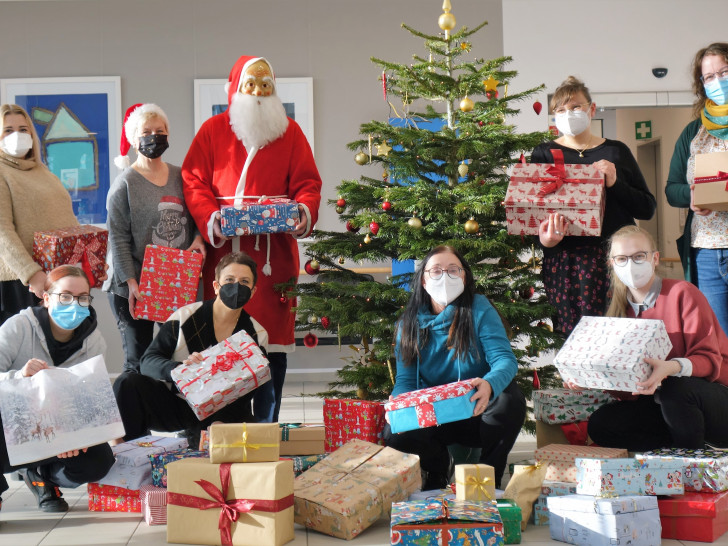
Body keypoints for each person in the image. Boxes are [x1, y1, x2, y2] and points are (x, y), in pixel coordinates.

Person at [182, 55, 322, 422]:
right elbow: (193, 179)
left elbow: (308, 184)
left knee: (269, 347)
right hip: (222, 255)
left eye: (266, 86)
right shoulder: (213, 130)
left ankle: (265, 428)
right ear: (235, 89)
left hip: (271, 260)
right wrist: (212, 216)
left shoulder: (290, 133)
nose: (258, 93)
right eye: (251, 85)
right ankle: (214, 426)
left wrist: (299, 212)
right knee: (218, 340)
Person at [383, 245, 526, 489]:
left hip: (476, 410)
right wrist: (398, 404)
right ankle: (437, 467)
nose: (445, 276)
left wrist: (490, 384)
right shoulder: (409, 323)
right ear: (423, 281)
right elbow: (406, 381)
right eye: (436, 271)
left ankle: (489, 476)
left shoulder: (479, 308)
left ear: (465, 277)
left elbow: (505, 359)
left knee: (510, 401)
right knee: (394, 432)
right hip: (436, 418)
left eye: (453, 270)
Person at [532, 77, 656, 335]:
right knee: (571, 339)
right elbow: (532, 216)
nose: (569, 114)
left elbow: (647, 208)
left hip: (615, 261)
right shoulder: (543, 154)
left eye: (576, 107)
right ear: (554, 116)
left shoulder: (616, 151)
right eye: (561, 110)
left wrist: (615, 182)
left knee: (620, 335)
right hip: (566, 263)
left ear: (592, 108)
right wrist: (547, 241)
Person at [587, 226, 728, 451]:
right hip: (667, 407)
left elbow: (710, 361)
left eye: (639, 256)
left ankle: (690, 462)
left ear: (655, 258)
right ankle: (667, 456)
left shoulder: (682, 293)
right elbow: (629, 392)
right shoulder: (618, 310)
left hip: (714, 401)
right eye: (622, 258)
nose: (630, 265)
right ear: (612, 263)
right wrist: (596, 377)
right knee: (602, 424)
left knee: (675, 387)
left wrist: (671, 367)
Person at [112, 252, 266, 447]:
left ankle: (206, 444)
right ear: (216, 286)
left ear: (253, 291)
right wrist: (179, 369)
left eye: (244, 282)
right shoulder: (185, 316)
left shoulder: (257, 334)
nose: (237, 286)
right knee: (128, 382)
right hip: (177, 403)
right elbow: (148, 362)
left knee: (249, 438)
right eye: (229, 280)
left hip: (223, 409)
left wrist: (222, 420)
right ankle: (125, 451)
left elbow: (251, 389)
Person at [0, 265, 114, 512]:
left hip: (59, 427)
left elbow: (92, 400)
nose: (74, 304)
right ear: (46, 298)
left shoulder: (94, 342)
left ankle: (43, 476)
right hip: (12, 422)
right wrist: (19, 376)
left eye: (82, 298)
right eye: (65, 296)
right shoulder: (18, 327)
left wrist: (77, 433)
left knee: (99, 460)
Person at [106, 103, 205, 373]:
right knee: (138, 361)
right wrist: (131, 283)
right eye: (146, 131)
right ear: (133, 139)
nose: (153, 136)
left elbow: (197, 213)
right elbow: (118, 239)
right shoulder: (124, 183)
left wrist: (198, 238)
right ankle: (138, 415)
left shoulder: (181, 175)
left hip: (175, 281)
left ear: (168, 135)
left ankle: (172, 414)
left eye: (160, 131)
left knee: (182, 353)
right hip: (133, 284)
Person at [666, 43, 728, 336]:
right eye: (709, 77)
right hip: (705, 252)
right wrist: (691, 197)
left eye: (724, 72)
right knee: (718, 339)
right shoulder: (693, 132)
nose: (717, 81)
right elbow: (671, 189)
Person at [0, 104, 81, 326]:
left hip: (55, 279)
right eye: (8, 130)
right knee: (22, 356)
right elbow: (2, 232)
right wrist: (31, 274)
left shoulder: (43, 172)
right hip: (19, 283)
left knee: (56, 354)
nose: (17, 135)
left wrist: (89, 261)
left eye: (23, 129)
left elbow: (69, 222)